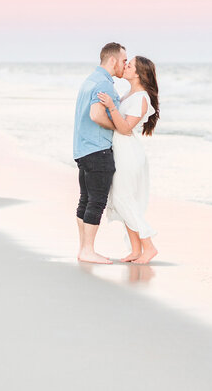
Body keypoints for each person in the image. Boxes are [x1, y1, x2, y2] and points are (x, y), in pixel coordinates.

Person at [98, 56, 160, 264]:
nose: (125, 66)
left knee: (124, 199)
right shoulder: (129, 94)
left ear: (138, 73)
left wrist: (111, 107)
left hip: (128, 154)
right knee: (121, 199)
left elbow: (125, 128)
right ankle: (135, 250)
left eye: (129, 65)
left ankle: (149, 247)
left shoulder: (141, 97)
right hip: (121, 151)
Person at [73, 42, 127, 264]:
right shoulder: (103, 83)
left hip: (82, 149)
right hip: (98, 150)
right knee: (96, 201)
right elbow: (96, 114)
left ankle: (84, 248)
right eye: (124, 60)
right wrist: (118, 126)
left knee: (86, 199)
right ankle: (87, 250)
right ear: (113, 60)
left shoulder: (89, 81)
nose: (125, 64)